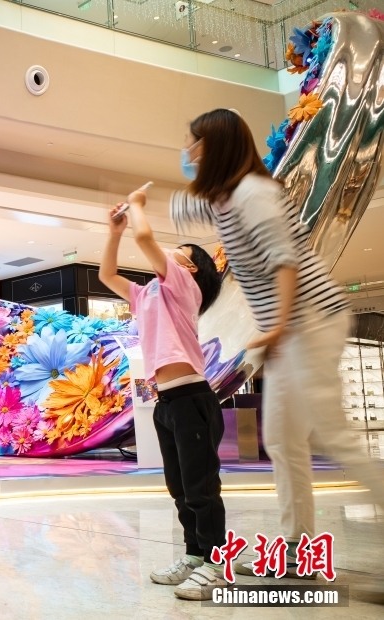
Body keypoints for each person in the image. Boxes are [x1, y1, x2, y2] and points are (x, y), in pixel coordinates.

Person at [170, 108, 384, 590]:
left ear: (215, 147)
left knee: (335, 437)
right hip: (291, 332)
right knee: (286, 442)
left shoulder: (254, 194)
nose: (187, 151)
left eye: (193, 142)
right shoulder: (228, 200)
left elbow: (285, 262)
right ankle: (295, 551)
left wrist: (279, 326)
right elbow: (185, 207)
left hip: (310, 323)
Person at [99, 188, 225, 601]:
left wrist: (136, 205)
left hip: (191, 398)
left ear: (190, 266)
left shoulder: (184, 286)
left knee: (201, 488)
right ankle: (194, 555)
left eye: (178, 251)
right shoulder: (147, 293)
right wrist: (113, 232)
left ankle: (216, 565)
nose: (169, 253)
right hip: (166, 403)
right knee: (181, 488)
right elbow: (107, 276)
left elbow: (145, 238)